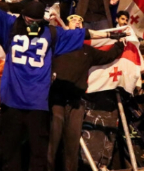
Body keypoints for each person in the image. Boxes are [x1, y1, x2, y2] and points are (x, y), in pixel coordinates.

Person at [0, 0, 127, 171]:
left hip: (37, 105)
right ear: (23, 16)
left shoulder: (50, 32)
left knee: (38, 156)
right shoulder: (10, 25)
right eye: (29, 20)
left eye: (36, 21)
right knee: (10, 154)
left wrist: (114, 32)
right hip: (13, 102)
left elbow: (84, 33)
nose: (33, 25)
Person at [47, 27, 126, 171]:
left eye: (80, 24)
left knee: (72, 146)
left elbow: (107, 56)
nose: (76, 26)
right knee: (52, 143)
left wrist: (120, 44)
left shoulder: (87, 51)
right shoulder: (57, 47)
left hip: (76, 102)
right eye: (73, 22)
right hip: (55, 100)